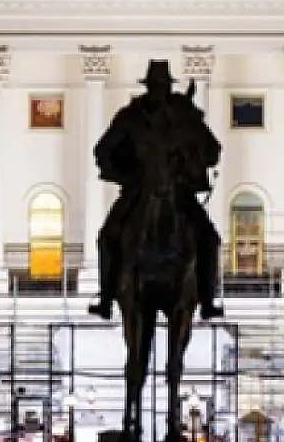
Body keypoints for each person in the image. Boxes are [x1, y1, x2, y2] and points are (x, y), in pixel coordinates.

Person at [88, 59, 224, 321]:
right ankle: (106, 297)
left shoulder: (183, 114)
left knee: (209, 238)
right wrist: (123, 174)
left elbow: (213, 150)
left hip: (178, 189)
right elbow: (102, 150)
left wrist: (192, 158)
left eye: (163, 86)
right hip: (138, 189)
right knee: (108, 235)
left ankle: (207, 299)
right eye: (155, 86)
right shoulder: (131, 117)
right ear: (148, 87)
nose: (160, 92)